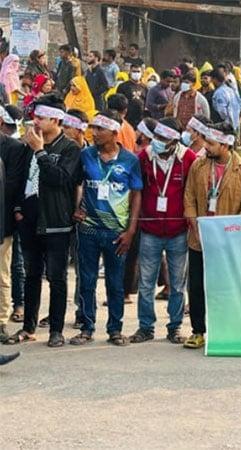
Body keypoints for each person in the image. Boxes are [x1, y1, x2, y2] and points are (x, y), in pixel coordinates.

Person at [4, 96, 81, 347]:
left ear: (56, 120)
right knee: (31, 274)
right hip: (29, 218)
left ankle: (56, 330)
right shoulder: (27, 145)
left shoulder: (69, 148)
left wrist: (40, 151)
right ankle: (28, 327)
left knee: (57, 277)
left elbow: (61, 179)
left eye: (41, 118)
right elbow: (19, 179)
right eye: (34, 117)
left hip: (56, 220)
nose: (35, 122)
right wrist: (17, 208)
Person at [69, 111, 142, 347]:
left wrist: (131, 230)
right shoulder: (86, 155)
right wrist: (76, 208)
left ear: (114, 132)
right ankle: (87, 327)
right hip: (88, 230)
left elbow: (137, 194)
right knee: (87, 281)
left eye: (100, 129)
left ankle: (115, 329)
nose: (95, 133)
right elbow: (77, 183)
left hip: (116, 232)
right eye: (93, 128)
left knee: (115, 282)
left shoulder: (130, 160)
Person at [183, 122, 241, 349]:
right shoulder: (198, 165)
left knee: (225, 286)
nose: (206, 147)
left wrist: (231, 231)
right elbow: (189, 198)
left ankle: (225, 330)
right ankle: (198, 330)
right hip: (199, 240)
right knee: (196, 285)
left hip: (227, 243)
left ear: (226, 145)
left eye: (212, 143)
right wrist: (195, 226)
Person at [130, 117, 196, 345]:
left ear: (173, 140)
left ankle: (175, 327)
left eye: (162, 138)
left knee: (177, 284)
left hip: (178, 230)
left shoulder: (188, 158)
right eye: (156, 137)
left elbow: (193, 192)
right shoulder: (144, 157)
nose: (156, 141)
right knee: (146, 282)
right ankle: (145, 327)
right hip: (150, 229)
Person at [0, 108, 27, 341]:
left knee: (3, 273)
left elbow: (12, 187)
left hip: (3, 223)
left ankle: (0, 323)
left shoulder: (14, 149)